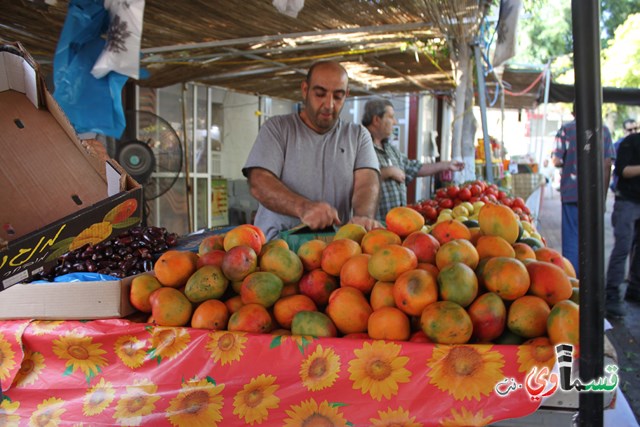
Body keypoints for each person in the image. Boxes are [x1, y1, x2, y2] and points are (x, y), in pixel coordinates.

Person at [242, 60, 382, 241]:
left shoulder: (357, 135)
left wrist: (364, 215)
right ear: (305, 90)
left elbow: (367, 182)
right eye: (320, 94)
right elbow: (259, 182)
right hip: (276, 248)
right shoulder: (277, 128)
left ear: (347, 95)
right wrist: (302, 207)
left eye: (338, 96)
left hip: (334, 252)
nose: (329, 104)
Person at [361, 98, 464, 221]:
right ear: (376, 120)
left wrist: (446, 165)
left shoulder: (390, 150)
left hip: (396, 224)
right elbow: (353, 179)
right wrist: (388, 172)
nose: (395, 122)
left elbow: (415, 168)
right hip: (372, 227)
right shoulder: (359, 146)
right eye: (391, 117)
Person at [552, 107, 615, 275]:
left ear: (573, 112)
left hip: (571, 193)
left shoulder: (565, 130)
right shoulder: (604, 130)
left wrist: (567, 160)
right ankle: (592, 280)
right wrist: (601, 197)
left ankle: (574, 283)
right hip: (594, 195)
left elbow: (556, 160)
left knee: (572, 240)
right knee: (592, 238)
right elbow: (607, 164)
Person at [606, 132, 640, 318]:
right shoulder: (632, 141)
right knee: (623, 248)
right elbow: (622, 170)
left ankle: (635, 289)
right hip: (627, 201)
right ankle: (611, 295)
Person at [610, 118, 637, 191]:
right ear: (624, 130)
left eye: (635, 129)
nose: (633, 132)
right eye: (630, 130)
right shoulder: (617, 145)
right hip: (622, 187)